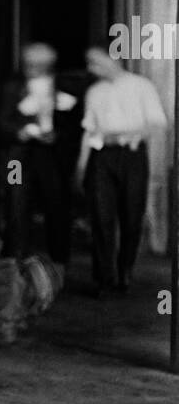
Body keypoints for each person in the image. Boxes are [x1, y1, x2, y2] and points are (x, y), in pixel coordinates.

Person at [76, 44, 167, 296]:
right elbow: (90, 130)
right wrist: (81, 167)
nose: (92, 68)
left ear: (111, 58)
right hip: (102, 155)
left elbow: (158, 123)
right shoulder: (94, 92)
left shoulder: (141, 86)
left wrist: (130, 134)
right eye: (89, 63)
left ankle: (124, 271)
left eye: (95, 61)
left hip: (132, 155)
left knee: (131, 215)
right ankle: (104, 277)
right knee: (101, 217)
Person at [0, 42, 79, 267]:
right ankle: (15, 261)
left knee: (57, 206)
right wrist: (20, 131)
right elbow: (1, 123)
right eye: (28, 64)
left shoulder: (64, 86)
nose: (30, 69)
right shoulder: (12, 88)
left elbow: (75, 125)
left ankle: (58, 263)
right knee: (16, 205)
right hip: (19, 156)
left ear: (48, 67)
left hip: (52, 156)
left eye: (37, 66)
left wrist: (58, 135)